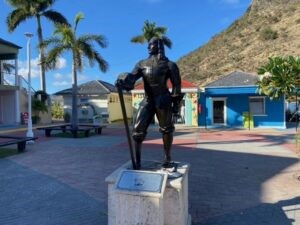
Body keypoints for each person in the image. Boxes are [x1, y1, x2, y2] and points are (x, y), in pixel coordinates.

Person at [116, 37, 182, 169]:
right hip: (147, 100)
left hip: (163, 99)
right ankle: (137, 161)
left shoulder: (170, 65)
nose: (148, 46)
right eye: (148, 44)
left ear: (158, 46)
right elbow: (132, 78)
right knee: (137, 131)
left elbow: (176, 87)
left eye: (151, 44)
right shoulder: (141, 64)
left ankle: (167, 158)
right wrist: (123, 79)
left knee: (166, 130)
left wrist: (176, 107)